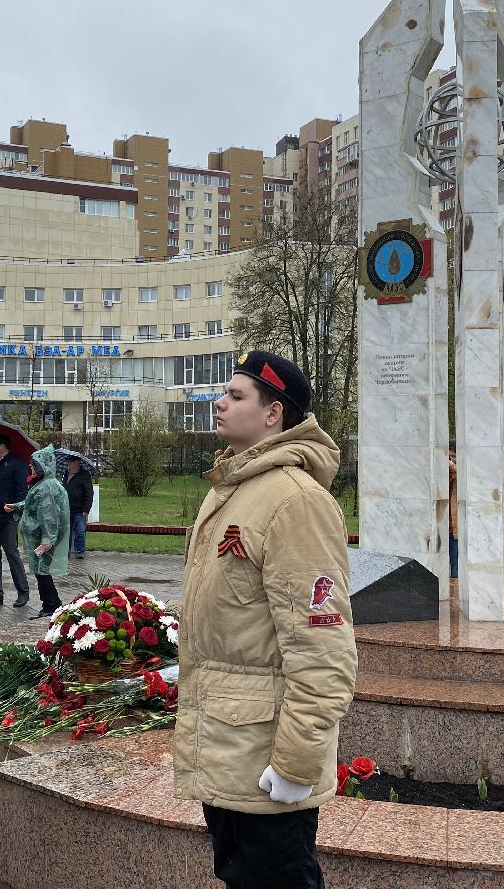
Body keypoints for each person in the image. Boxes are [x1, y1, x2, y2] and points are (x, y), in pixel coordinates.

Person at [173, 350, 357, 889]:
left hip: (266, 755)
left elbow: (324, 651)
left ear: (273, 413)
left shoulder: (295, 501)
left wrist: (297, 762)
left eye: (235, 395)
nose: (219, 402)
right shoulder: (232, 489)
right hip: (228, 746)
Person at [13, 446, 69, 618]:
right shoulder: (45, 484)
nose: (30, 466)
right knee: (41, 570)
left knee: (42, 570)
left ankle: (49, 606)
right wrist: (16, 506)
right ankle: (54, 603)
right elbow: (33, 502)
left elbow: (48, 514)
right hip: (42, 535)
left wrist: (47, 538)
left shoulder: (47, 486)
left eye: (33, 464)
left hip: (44, 536)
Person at [0, 434, 30, 609]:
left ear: (2, 446)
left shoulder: (17, 464)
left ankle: (23, 592)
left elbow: (22, 491)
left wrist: (15, 508)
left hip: (8, 517)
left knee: (11, 554)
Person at [63, 454, 93, 559]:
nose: (68, 463)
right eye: (68, 461)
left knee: (80, 531)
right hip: (66, 508)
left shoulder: (84, 475)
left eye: (70, 461)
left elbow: (89, 493)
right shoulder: (65, 474)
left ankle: (79, 551)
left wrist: (86, 509)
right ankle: (66, 551)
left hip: (80, 510)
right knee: (67, 532)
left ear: (77, 463)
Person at [447, 441, 458, 579]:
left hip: (458, 533)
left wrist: (451, 466)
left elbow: (459, 472)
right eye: (449, 457)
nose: (451, 460)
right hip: (447, 530)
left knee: (456, 574)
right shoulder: (449, 475)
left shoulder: (460, 473)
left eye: (454, 456)